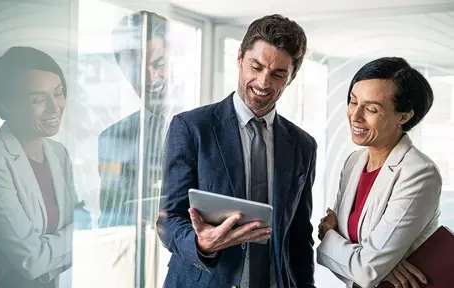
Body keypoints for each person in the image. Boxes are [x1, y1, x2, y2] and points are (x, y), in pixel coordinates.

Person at [157, 14, 316, 288]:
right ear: (239, 58)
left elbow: (300, 236)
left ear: (291, 77)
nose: (263, 83)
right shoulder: (192, 128)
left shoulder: (303, 145)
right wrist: (200, 243)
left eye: (278, 74)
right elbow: (169, 219)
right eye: (256, 67)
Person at [317, 57, 441, 288]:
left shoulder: (420, 174)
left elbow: (366, 270)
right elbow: (361, 270)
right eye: (353, 102)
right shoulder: (354, 162)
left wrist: (327, 235)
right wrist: (376, 266)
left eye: (371, 109)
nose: (355, 115)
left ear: (403, 116)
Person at [0, 46, 78, 287]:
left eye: (58, 93)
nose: (54, 108)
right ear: (7, 105)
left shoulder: (58, 153)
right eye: (38, 99)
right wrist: (78, 239)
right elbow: (32, 259)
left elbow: (78, 224)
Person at [98, 10, 168, 227]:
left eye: (158, 64)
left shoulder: (205, 129)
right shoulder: (111, 137)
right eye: (137, 67)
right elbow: (109, 214)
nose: (149, 77)